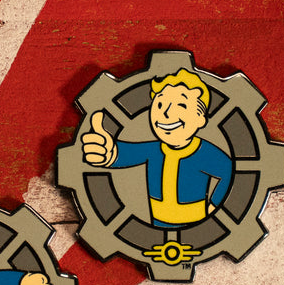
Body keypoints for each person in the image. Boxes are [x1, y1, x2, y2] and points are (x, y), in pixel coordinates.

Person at [81, 68, 232, 227]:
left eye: (181, 105)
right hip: (157, 226)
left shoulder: (205, 153)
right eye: (159, 104)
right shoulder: (153, 150)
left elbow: (230, 171)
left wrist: (214, 206)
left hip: (197, 228)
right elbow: (124, 153)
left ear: (200, 118)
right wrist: (106, 151)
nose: (166, 113)